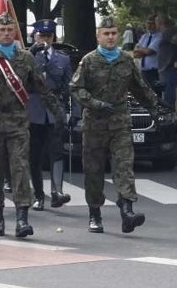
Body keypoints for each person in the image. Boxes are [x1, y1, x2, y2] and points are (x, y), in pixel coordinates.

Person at [0, 13, 64, 238]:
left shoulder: (25, 58)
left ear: (15, 33)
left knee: (20, 168)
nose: (5, 34)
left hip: (17, 122)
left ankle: (22, 218)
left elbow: (41, 87)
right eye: (1, 30)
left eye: (9, 30)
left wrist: (57, 111)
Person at [70, 16, 159, 234]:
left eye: (113, 34)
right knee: (94, 171)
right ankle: (95, 214)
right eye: (106, 34)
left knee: (124, 167)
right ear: (98, 36)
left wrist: (155, 106)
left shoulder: (126, 60)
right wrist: (95, 103)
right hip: (95, 125)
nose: (110, 37)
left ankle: (127, 211)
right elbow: (76, 88)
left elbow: (139, 87)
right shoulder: (89, 61)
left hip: (120, 123)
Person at [27, 18, 73, 211]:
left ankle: (57, 192)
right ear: (34, 36)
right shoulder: (27, 56)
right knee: (34, 156)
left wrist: (72, 111)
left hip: (54, 111)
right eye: (41, 36)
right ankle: (39, 195)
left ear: (53, 37)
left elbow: (70, 86)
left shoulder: (62, 59)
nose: (45, 40)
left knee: (57, 152)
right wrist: (32, 53)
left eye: (48, 36)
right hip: (34, 109)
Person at [155, 16, 177, 109]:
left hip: (168, 70)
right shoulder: (165, 34)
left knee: (168, 100)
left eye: (156, 23)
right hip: (165, 70)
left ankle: (170, 119)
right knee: (166, 97)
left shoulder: (167, 34)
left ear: (160, 23)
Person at [133, 14, 161, 90]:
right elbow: (135, 53)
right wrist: (143, 50)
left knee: (155, 94)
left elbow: (149, 51)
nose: (149, 26)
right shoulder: (145, 36)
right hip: (143, 71)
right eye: (148, 23)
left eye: (152, 24)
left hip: (154, 72)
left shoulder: (159, 36)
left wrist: (141, 49)